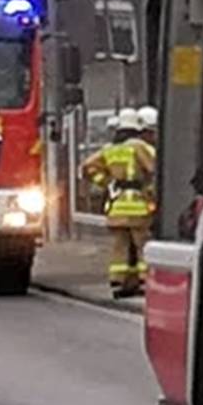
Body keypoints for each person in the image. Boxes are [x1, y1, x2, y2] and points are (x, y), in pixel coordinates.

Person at [82, 112, 156, 299]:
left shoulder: (111, 150)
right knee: (142, 245)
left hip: (117, 206)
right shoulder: (139, 147)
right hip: (138, 205)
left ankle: (118, 280)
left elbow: (87, 167)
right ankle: (144, 280)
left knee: (120, 246)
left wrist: (106, 182)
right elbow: (155, 167)